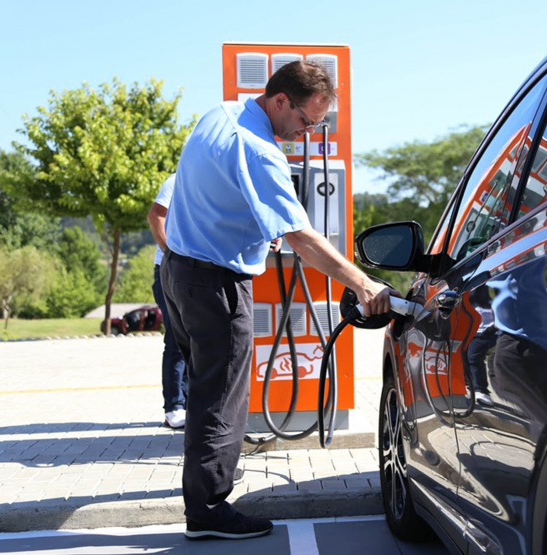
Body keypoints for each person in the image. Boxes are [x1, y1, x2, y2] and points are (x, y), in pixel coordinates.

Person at [160, 60, 393, 541]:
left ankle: (206, 484)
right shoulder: (261, 150)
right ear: (281, 100)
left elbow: (206, 188)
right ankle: (206, 510)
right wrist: (363, 284)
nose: (307, 133)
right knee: (222, 399)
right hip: (216, 284)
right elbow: (304, 239)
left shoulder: (222, 113)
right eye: (307, 120)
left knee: (207, 393)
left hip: (179, 273)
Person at [147, 173, 188, 429]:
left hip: (195, 269)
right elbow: (155, 215)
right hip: (170, 268)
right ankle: (174, 407)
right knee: (176, 336)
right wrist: (169, 252)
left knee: (194, 338)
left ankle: (188, 403)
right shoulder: (177, 180)